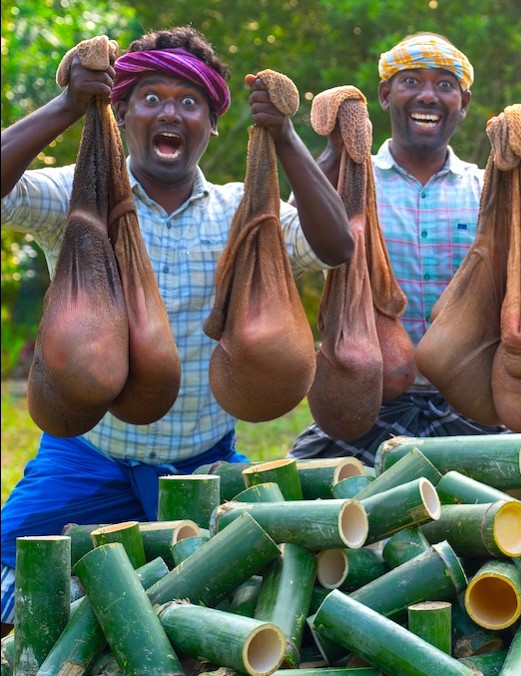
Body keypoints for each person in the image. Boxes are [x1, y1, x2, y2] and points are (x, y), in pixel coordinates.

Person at [0, 26, 355, 625]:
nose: (171, 112)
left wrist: (285, 135)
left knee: (264, 596)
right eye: (151, 97)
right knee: (14, 572)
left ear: (212, 123)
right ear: (121, 110)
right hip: (87, 460)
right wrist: (67, 104)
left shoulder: (241, 214)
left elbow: (334, 244)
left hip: (202, 468)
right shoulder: (72, 197)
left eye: (190, 102)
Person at [288, 33, 505, 466]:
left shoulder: (487, 189)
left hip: (469, 403)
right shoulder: (348, 181)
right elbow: (288, 253)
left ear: (463, 103)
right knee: (310, 507)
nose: (428, 95)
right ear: (386, 95)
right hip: (365, 402)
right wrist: (334, 151)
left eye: (445, 85)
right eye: (410, 81)